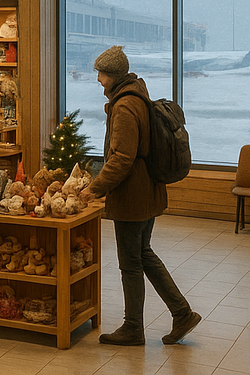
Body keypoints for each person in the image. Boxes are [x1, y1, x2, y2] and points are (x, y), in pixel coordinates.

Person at [80, 45, 201, 346]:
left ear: (113, 75)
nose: (98, 79)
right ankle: (182, 312)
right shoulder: (139, 94)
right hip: (149, 191)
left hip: (132, 196)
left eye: (101, 73)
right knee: (143, 254)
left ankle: (134, 327)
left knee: (131, 263)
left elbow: (121, 158)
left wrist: (94, 188)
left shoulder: (124, 106)